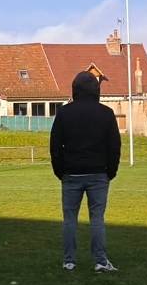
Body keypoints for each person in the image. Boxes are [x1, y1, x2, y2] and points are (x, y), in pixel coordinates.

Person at [50, 71, 121, 273]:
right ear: (96, 90)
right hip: (98, 173)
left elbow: (55, 146)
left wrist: (60, 171)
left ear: (75, 90)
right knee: (97, 219)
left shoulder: (64, 113)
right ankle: (100, 261)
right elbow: (114, 146)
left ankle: (69, 261)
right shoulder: (106, 113)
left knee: (69, 219)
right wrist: (111, 171)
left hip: (71, 173)